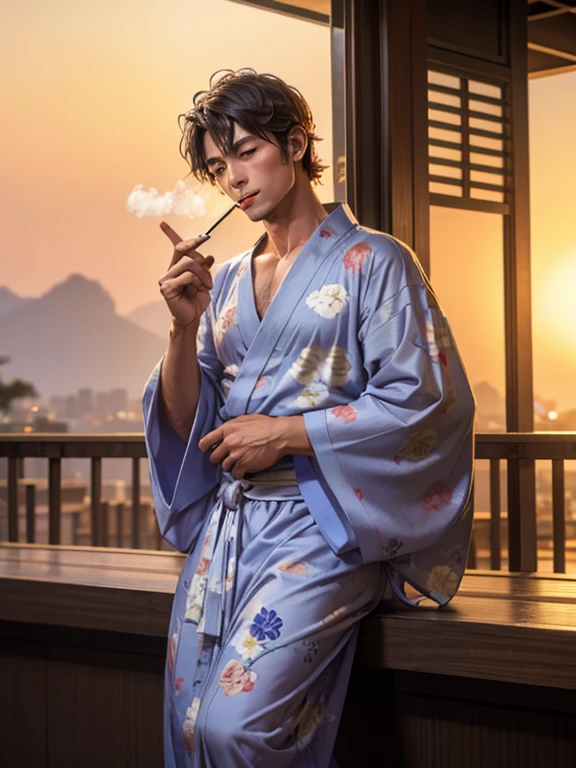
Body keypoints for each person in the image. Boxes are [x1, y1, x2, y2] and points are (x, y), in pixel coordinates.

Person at [142, 68, 475, 768]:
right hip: (228, 531)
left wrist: (288, 433)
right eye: (216, 165)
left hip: (323, 528)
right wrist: (181, 329)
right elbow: (185, 419)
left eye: (245, 152)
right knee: (193, 721)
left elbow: (427, 397)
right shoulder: (225, 281)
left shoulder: (376, 262)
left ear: (295, 143)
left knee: (235, 727)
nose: (232, 178)